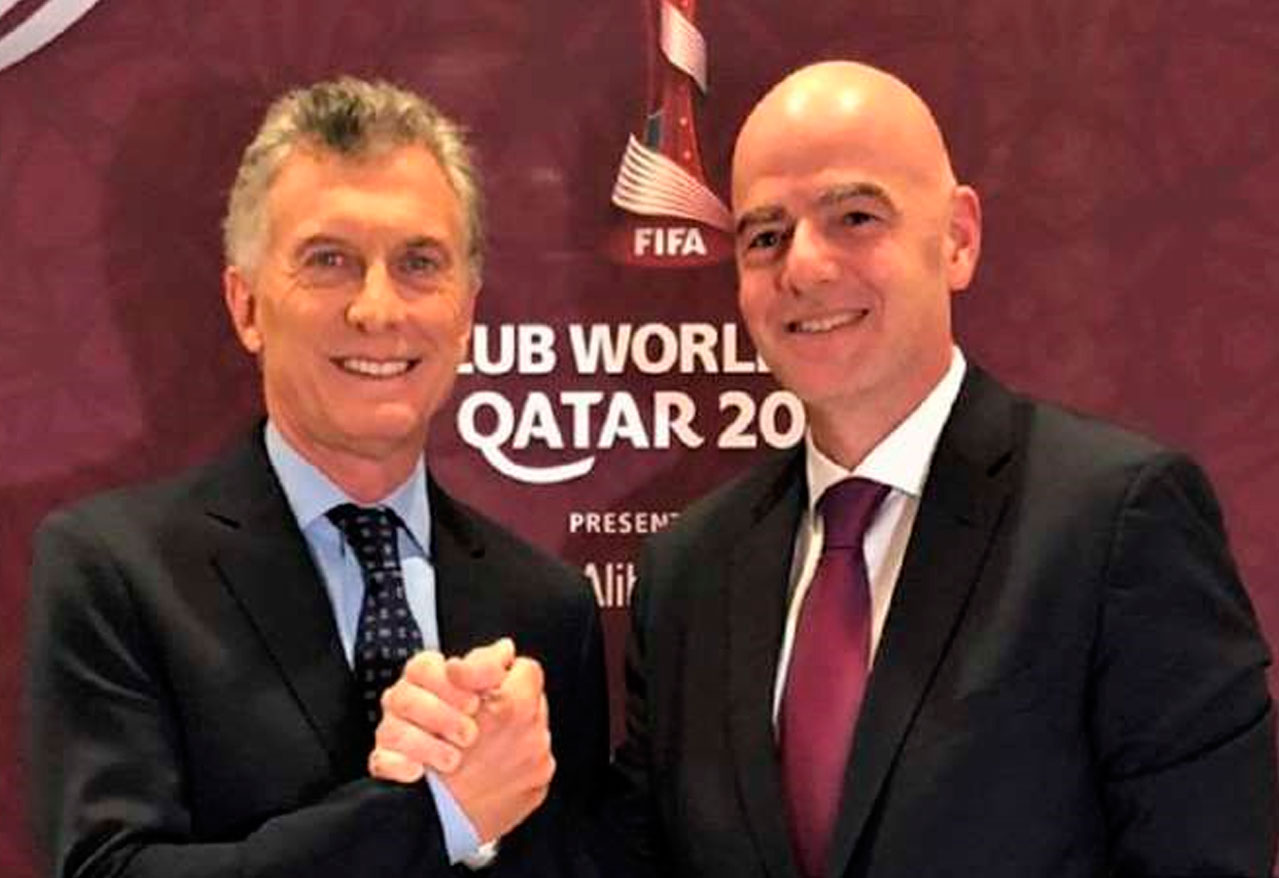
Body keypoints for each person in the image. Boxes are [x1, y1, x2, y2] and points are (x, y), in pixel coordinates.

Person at [373, 61, 1278, 877]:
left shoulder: (1115, 522)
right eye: (765, 236)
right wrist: (478, 799)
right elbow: (633, 859)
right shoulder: (689, 573)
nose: (803, 267)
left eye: (854, 217)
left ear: (957, 238)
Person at [25, 76, 608, 878]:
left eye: (418, 263)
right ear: (246, 306)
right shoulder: (116, 572)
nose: (377, 309)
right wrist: (438, 815)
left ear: (467, 312)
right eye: (329, 261)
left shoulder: (546, 609)